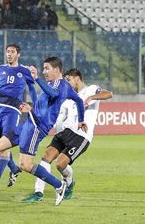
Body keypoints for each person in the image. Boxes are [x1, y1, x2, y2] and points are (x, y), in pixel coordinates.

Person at [0, 57, 86, 206]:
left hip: (36, 127)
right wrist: (81, 119)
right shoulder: (58, 85)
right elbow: (79, 101)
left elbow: (53, 94)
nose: (44, 71)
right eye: (43, 68)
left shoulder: (60, 84)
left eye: (47, 68)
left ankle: (59, 186)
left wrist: (37, 79)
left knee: (25, 165)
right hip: (29, 121)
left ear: (56, 70)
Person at [22, 68, 113, 202]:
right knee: (46, 156)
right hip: (65, 132)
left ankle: (69, 184)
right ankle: (38, 193)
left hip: (81, 135)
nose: (68, 83)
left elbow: (108, 94)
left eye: (69, 80)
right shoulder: (68, 97)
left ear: (77, 78)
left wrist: (91, 97)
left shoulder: (91, 89)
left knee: (60, 164)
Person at [0, 44, 37, 193]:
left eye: (12, 52)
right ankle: (13, 168)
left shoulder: (24, 71)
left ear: (18, 54)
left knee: (3, 145)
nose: (9, 54)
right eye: (7, 52)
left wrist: (36, 106)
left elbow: (32, 88)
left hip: (13, 110)